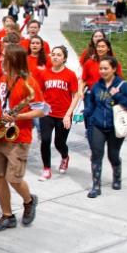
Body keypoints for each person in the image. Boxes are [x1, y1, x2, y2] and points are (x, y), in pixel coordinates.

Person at [0, 46, 46, 232]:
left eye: (6, 58)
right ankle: (7, 215)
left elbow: (43, 110)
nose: (2, 61)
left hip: (19, 137)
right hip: (0, 134)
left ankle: (29, 201)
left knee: (14, 178)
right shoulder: (4, 79)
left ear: (16, 60)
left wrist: (18, 117)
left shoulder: (29, 83)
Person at [83, 57, 127, 198]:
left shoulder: (123, 85)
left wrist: (117, 95)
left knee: (112, 155)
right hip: (97, 126)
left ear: (114, 69)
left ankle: (117, 175)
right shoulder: (96, 86)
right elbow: (91, 105)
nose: (102, 71)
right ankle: (96, 186)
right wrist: (86, 114)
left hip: (116, 127)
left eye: (105, 68)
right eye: (101, 68)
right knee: (96, 155)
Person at [36, 46, 78, 180]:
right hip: (47, 114)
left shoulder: (70, 75)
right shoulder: (45, 74)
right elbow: (40, 92)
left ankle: (65, 157)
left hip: (63, 115)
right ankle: (47, 169)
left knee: (59, 143)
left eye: (59, 55)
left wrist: (68, 115)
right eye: (53, 54)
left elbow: (76, 95)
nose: (55, 57)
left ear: (64, 58)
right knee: (45, 141)